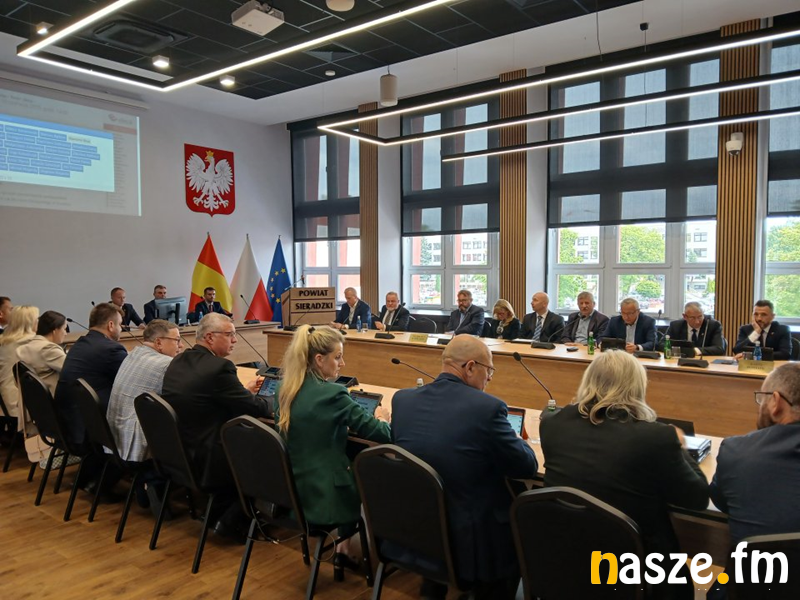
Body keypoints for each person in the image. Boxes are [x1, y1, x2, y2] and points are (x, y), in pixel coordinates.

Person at [540, 350, 708, 600]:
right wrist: (679, 445)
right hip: (634, 571)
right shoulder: (656, 437)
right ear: (636, 387)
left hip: (567, 563)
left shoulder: (552, 424)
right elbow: (698, 498)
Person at [390, 335, 538, 599]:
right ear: (470, 367)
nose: (490, 378)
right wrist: (517, 439)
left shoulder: (403, 400)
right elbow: (526, 466)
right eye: (489, 370)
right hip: (473, 537)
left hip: (420, 527)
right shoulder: (487, 409)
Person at [275, 324, 391, 564]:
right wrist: (382, 418)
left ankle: (344, 548)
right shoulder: (334, 394)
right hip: (327, 495)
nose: (342, 363)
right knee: (366, 467)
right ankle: (347, 550)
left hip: (294, 491)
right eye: (337, 357)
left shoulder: (285, 389)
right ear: (319, 359)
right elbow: (380, 434)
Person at [160, 313, 267, 539]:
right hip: (212, 457)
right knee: (270, 448)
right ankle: (233, 519)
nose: (235, 340)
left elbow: (208, 396)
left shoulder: (179, 360)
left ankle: (222, 514)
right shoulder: (220, 368)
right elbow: (255, 407)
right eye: (230, 335)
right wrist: (279, 402)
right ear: (210, 337)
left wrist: (241, 392)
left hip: (183, 451)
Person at [709, 363, 800, 544]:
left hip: (752, 563)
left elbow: (721, 502)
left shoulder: (735, 451)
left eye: (762, 398)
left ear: (775, 402)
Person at [107, 319, 183, 464]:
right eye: (177, 340)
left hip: (115, 438)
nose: (181, 345)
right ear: (159, 342)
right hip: (135, 446)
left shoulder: (133, 354)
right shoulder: (165, 363)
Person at [55, 303, 128, 445]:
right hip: (91, 429)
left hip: (69, 422)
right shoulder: (111, 349)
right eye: (120, 324)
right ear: (111, 325)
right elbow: (130, 383)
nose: (121, 329)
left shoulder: (79, 344)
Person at [15, 310, 68, 463]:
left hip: (38, 410)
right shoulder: (48, 349)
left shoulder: (24, 348)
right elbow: (73, 370)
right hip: (57, 409)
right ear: (55, 330)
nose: (65, 333)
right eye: (64, 329)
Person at [0, 306, 39, 420]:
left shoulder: (4, 341)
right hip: (19, 404)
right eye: (36, 319)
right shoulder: (30, 342)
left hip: (4, 403)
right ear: (29, 322)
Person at [661, 302, 727, 356]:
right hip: (680, 362)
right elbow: (661, 344)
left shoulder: (713, 325)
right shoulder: (676, 325)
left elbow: (719, 348)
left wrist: (695, 350)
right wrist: (682, 351)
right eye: (693, 318)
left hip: (706, 362)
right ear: (685, 316)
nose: (697, 321)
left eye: (700, 317)